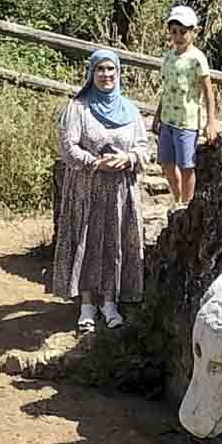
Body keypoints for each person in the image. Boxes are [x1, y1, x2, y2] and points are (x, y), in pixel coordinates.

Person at [53, 50, 148, 334]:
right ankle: (86, 304)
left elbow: (143, 146)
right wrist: (95, 163)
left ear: (118, 74)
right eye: (101, 70)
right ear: (91, 73)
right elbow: (68, 147)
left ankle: (110, 301)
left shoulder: (130, 110)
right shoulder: (78, 108)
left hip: (120, 190)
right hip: (88, 188)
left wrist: (128, 159)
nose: (106, 75)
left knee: (114, 241)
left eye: (111, 70)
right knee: (87, 239)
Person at [152, 5, 218, 211]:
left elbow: (208, 91)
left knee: (186, 165)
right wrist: (157, 115)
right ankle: (178, 197)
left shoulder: (197, 58)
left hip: (187, 121)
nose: (178, 36)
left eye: (183, 32)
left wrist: (211, 120)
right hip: (168, 118)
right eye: (174, 32)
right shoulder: (169, 56)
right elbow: (167, 88)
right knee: (166, 163)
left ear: (193, 32)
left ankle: (186, 205)